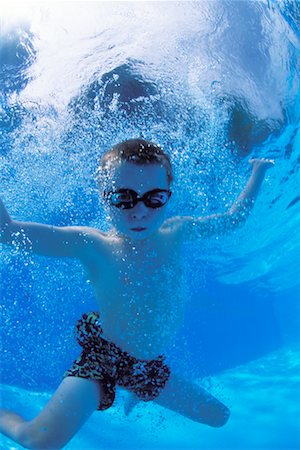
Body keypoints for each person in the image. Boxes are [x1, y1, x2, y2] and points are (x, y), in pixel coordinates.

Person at [0, 138, 274, 449]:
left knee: (218, 416)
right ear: (104, 197)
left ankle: (136, 389)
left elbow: (233, 219)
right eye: (124, 198)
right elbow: (7, 232)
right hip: (105, 358)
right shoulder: (93, 245)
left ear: (168, 194)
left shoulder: (177, 232)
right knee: (39, 442)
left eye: (154, 198)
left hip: (147, 365)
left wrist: (258, 172)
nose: (140, 212)